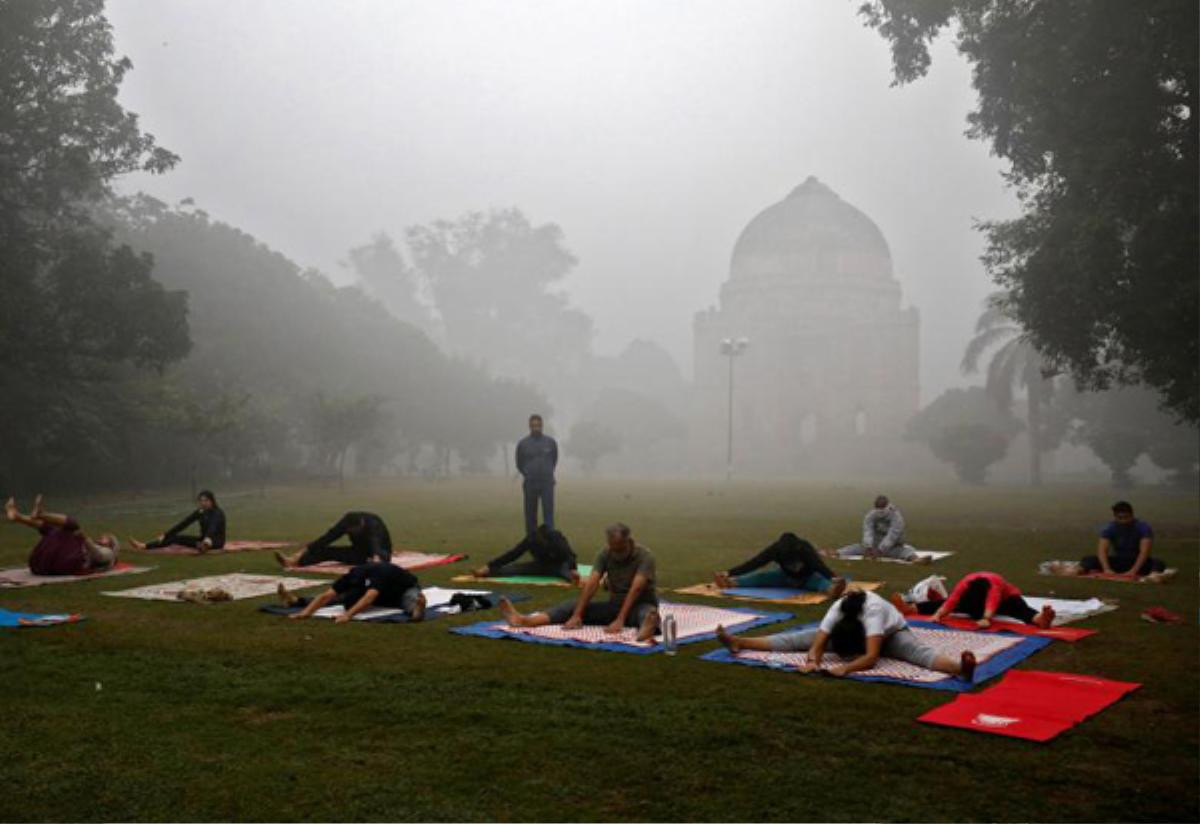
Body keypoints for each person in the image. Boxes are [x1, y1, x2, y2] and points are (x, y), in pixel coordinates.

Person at [716, 587, 976, 680]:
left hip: (892, 633)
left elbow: (872, 656)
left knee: (917, 652)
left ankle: (959, 668)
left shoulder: (873, 614)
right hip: (857, 634)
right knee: (797, 639)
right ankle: (739, 642)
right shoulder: (838, 609)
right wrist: (812, 661)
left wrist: (846, 669)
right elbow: (816, 643)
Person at [498, 522, 660, 641]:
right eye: (613, 549)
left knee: (646, 612)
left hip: (638, 604)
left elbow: (636, 589)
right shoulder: (605, 554)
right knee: (570, 605)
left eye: (620, 549)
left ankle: (648, 626)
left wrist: (620, 620)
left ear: (628, 541)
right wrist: (577, 614)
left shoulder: (645, 556)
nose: (616, 554)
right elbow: (592, 584)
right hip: (615, 605)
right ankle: (525, 620)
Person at [892, 571, 1056, 629]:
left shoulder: (995, 584)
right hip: (976, 603)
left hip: (1005, 600)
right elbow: (951, 601)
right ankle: (911, 609)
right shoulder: (965, 583)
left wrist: (986, 618)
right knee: (946, 603)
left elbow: (992, 601)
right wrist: (938, 615)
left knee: (1018, 607)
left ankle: (1040, 619)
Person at [5, 495, 119, 575]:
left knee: (73, 525)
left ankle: (40, 514)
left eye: (105, 538)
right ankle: (17, 517)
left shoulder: (109, 553)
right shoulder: (89, 544)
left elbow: (99, 556)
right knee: (51, 529)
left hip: (67, 563)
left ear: (111, 544)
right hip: (45, 564)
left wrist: (84, 538)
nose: (101, 537)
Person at [278, 561, 426, 623]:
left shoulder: (380, 573)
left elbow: (369, 598)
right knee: (343, 598)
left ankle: (416, 610)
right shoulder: (352, 575)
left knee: (409, 598)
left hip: (402, 589)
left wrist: (347, 615)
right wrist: (306, 612)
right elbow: (327, 595)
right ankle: (296, 601)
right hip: (380, 593)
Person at [714, 532, 845, 595]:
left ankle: (834, 589)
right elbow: (754, 563)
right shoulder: (776, 550)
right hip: (785, 577)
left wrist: (833, 578)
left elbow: (819, 566)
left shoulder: (804, 548)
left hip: (808, 578)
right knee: (761, 578)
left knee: (822, 583)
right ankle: (730, 582)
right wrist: (729, 573)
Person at [274, 512, 392, 569]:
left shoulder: (373, 524)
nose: (351, 534)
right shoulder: (346, 523)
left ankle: (375, 565)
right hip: (359, 553)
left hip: (381, 553)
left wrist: (377, 559)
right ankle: (294, 563)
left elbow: (376, 542)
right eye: (349, 532)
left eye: (354, 532)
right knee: (325, 551)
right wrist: (300, 553)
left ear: (361, 525)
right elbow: (327, 538)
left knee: (379, 560)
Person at [1078, 501, 1164, 578]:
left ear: (1132, 515)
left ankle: (1154, 576)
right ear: (1115, 517)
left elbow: (1144, 552)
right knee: (1089, 559)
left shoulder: (1143, 527)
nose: (1123, 521)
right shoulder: (1109, 528)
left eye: (1126, 517)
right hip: (1118, 560)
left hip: (1137, 561)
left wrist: (1133, 571)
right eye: (1120, 518)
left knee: (1157, 563)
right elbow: (1102, 551)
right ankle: (1078, 570)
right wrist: (1107, 569)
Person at [832, 495, 928, 563]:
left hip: (892, 546)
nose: (880, 513)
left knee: (904, 551)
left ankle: (916, 560)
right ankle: (835, 553)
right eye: (878, 511)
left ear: (888, 507)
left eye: (883, 511)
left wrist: (881, 550)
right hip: (874, 544)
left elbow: (893, 535)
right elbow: (867, 531)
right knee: (857, 548)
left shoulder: (896, 517)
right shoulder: (870, 516)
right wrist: (869, 546)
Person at [472, 524, 580, 584]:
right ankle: (486, 572)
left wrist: (573, 568)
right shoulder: (531, 540)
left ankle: (572, 577)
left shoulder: (555, 538)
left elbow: (569, 555)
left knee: (566, 574)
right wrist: (490, 565)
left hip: (559, 565)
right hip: (540, 566)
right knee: (514, 569)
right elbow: (513, 554)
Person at [130, 490, 226, 552]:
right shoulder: (200, 512)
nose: (203, 503)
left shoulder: (217, 513)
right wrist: (166, 534)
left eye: (206, 501)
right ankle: (144, 546)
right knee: (175, 538)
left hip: (216, 542)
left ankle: (204, 546)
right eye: (201, 501)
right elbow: (183, 524)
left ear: (212, 501)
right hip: (202, 541)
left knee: (204, 541)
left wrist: (207, 539)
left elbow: (212, 527)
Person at [516, 413, 557, 536]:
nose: (536, 428)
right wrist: (528, 473)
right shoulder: (523, 444)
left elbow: (554, 460)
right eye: (533, 425)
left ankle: (551, 542)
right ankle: (532, 542)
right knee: (530, 515)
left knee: (548, 515)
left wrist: (547, 472)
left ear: (542, 426)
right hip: (530, 484)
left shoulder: (550, 442)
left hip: (547, 483)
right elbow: (519, 463)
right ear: (529, 426)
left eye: (538, 425)